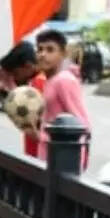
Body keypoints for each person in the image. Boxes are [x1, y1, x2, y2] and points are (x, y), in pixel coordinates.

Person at [36, 30, 92, 167]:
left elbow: (82, 124)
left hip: (62, 160)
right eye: (39, 49)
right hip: (48, 155)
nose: (43, 54)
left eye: (50, 50)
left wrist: (76, 161)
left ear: (63, 54)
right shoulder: (50, 80)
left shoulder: (64, 81)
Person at [0, 41, 46, 156]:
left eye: (16, 73)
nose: (14, 78)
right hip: (37, 150)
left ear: (27, 66)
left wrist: (5, 92)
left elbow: (22, 114)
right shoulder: (37, 80)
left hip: (40, 152)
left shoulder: (39, 83)